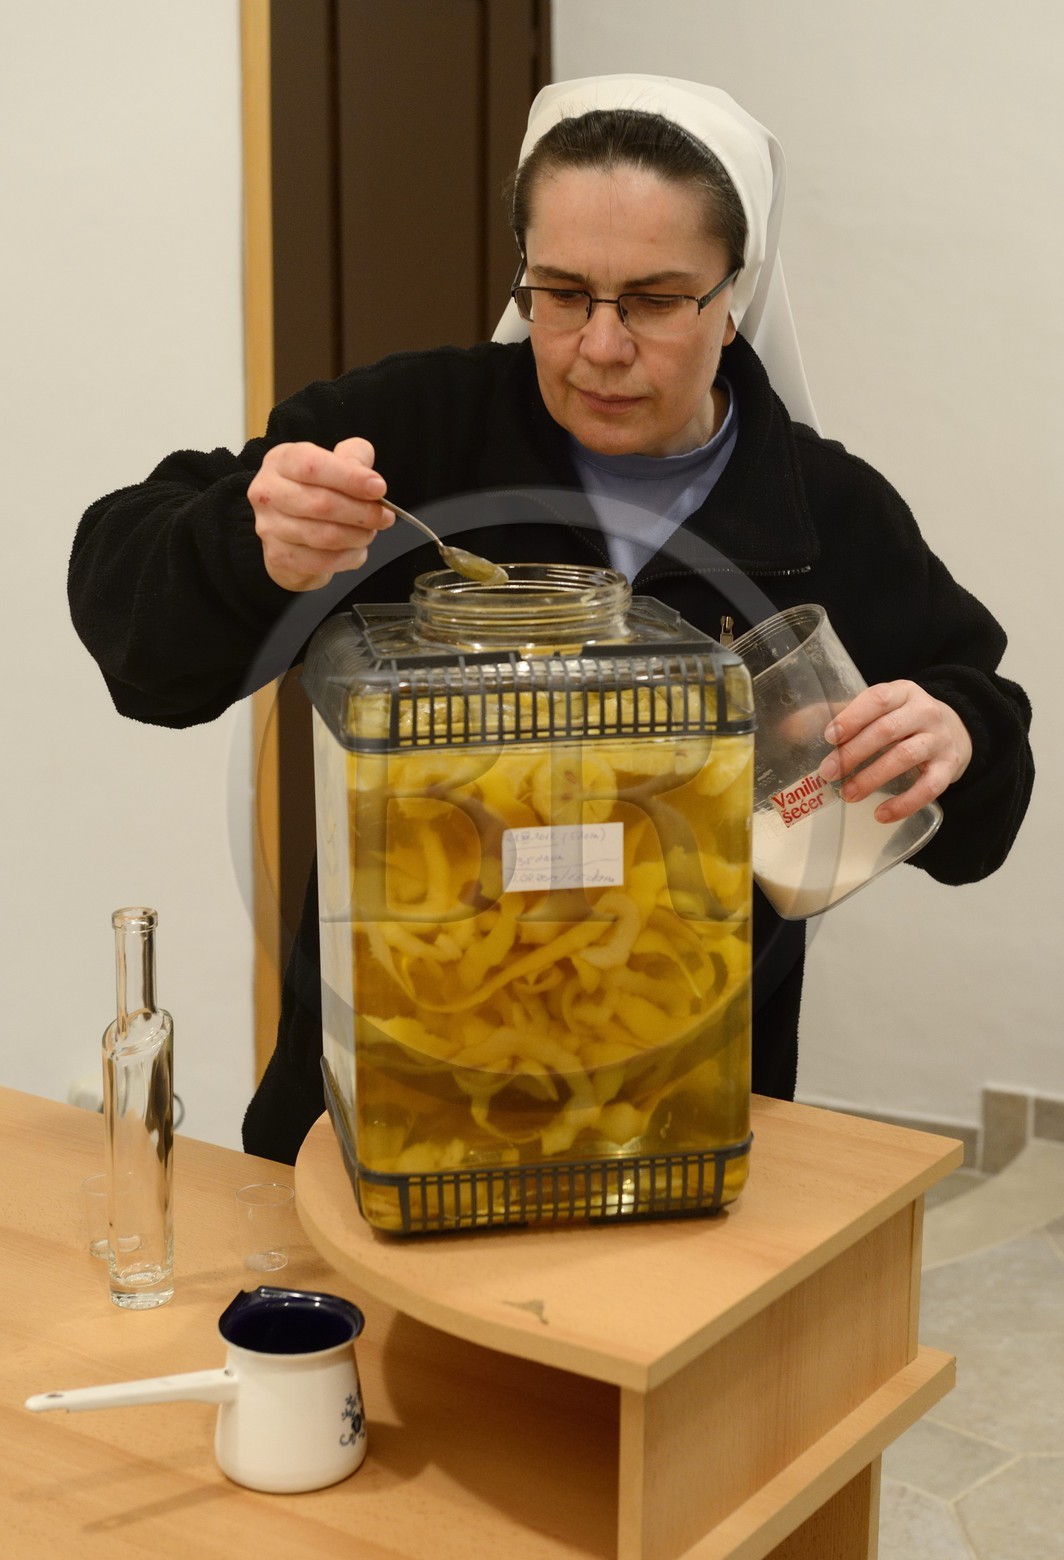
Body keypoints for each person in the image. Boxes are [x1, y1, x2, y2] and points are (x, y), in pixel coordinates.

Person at [68, 76, 1033, 1164]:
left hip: (676, 1118)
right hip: (378, 1112)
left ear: (731, 295)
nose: (599, 347)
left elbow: (976, 771)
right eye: (561, 293)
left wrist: (952, 731)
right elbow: (145, 654)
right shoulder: (402, 439)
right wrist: (250, 545)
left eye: (656, 300)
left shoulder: (821, 513)